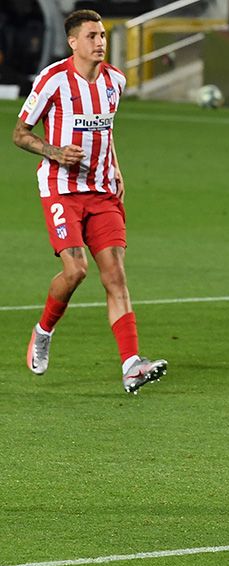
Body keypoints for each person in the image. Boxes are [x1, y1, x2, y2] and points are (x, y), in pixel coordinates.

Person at [13, 9, 167, 394]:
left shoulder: (116, 80)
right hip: (61, 189)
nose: (101, 42)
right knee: (76, 271)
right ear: (73, 42)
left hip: (102, 191)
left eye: (103, 35)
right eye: (93, 36)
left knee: (115, 275)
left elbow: (106, 130)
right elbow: (20, 133)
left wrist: (116, 169)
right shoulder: (52, 80)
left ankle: (131, 365)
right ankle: (43, 329)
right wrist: (53, 151)